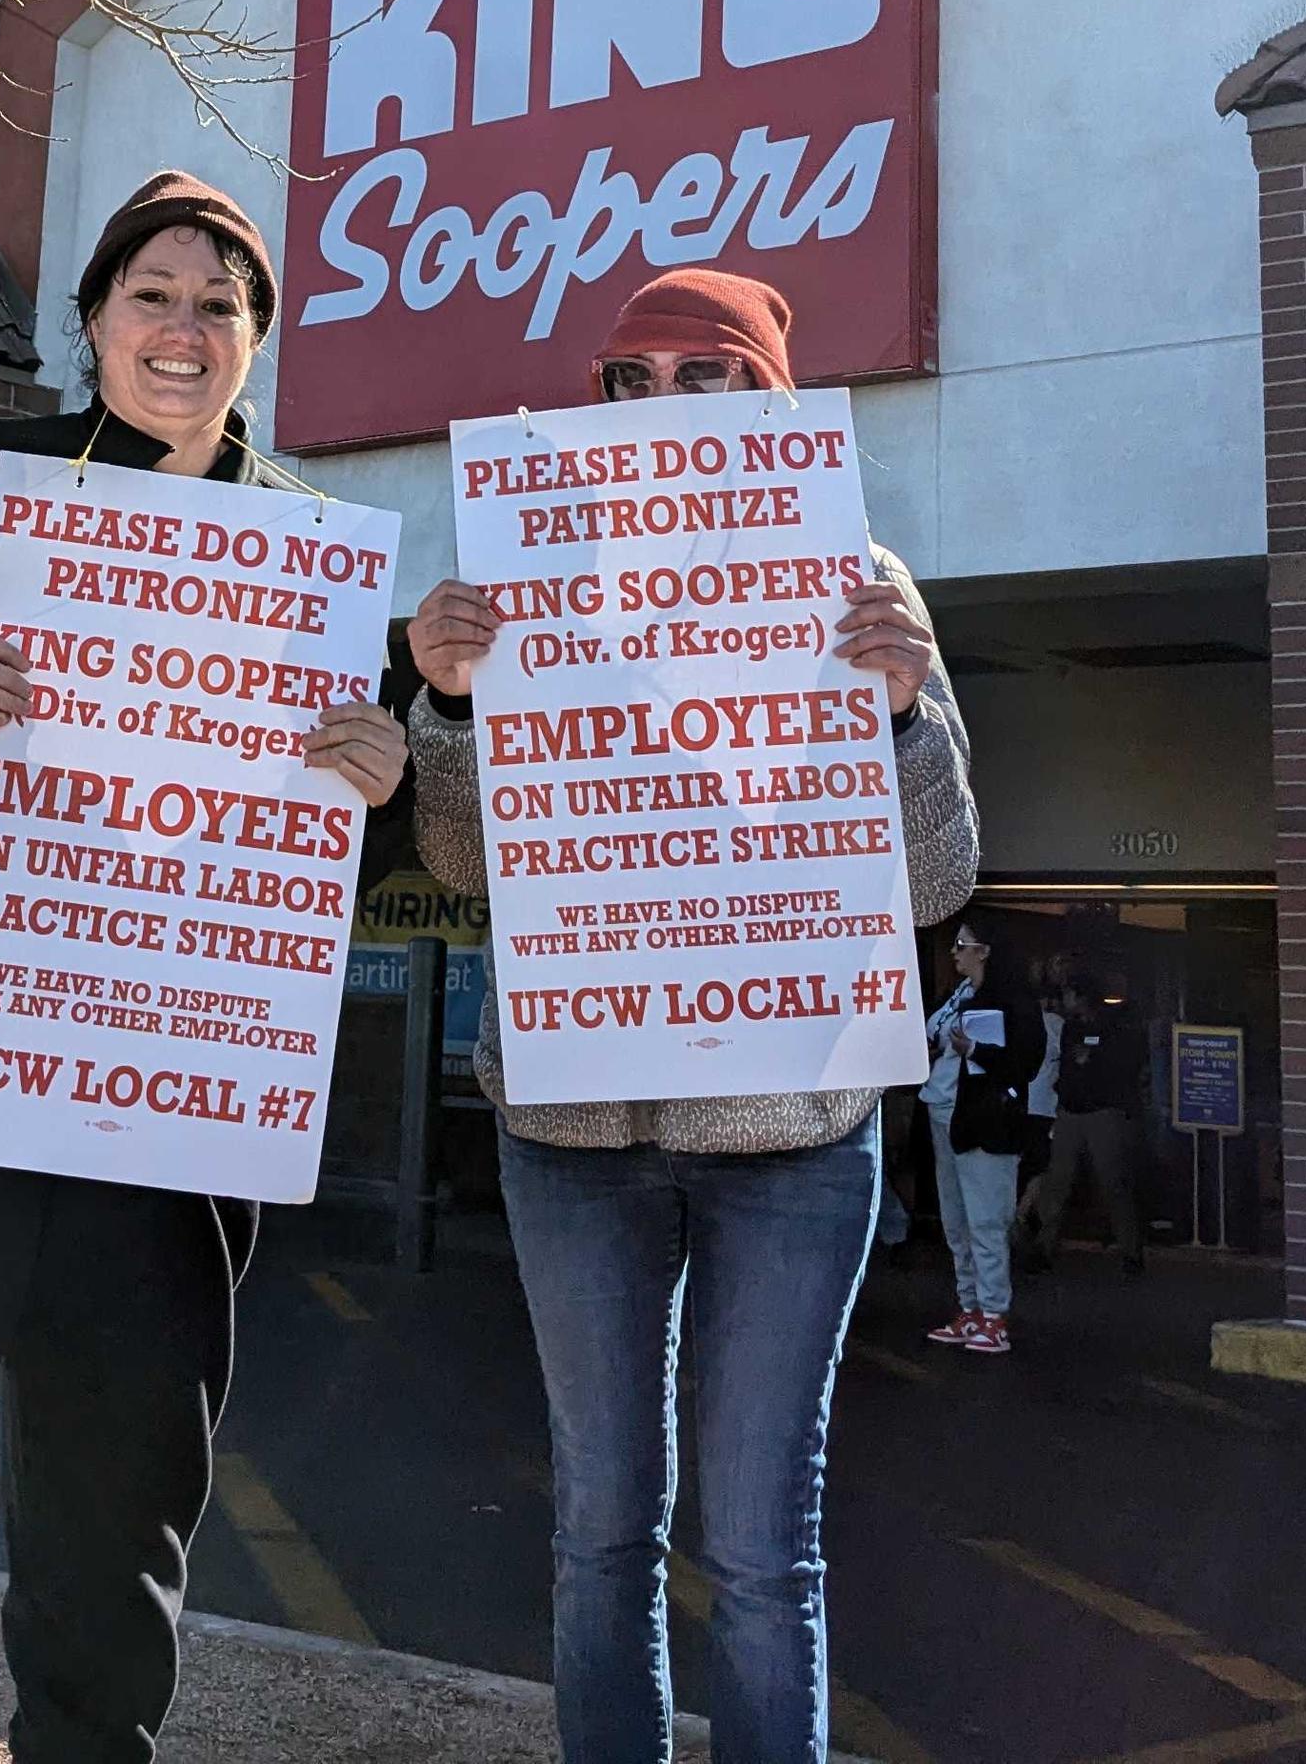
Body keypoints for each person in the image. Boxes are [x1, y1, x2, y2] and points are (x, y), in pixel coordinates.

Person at [0, 172, 409, 1764]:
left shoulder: (308, 557)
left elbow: (300, 880)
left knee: (119, 1538)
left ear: (258, 342)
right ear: (92, 319)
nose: (184, 330)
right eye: (152, 295)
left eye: (219, 304)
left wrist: (370, 790)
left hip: (158, 1137)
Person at [402, 267, 977, 1764]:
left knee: (766, 1555)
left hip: (791, 1139)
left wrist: (905, 710)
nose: (658, 406)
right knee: (599, 1532)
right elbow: (466, 867)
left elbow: (935, 881)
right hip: (571, 1138)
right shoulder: (526, 579)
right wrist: (450, 705)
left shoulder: (862, 580)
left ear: (770, 402)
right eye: (630, 381)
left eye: (699, 376)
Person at [920, 919, 1038, 1355]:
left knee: (986, 1219)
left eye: (962, 945)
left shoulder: (1012, 1000)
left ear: (985, 951)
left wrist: (977, 1051)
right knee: (956, 1219)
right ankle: (970, 1309)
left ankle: (994, 1315)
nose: (954, 952)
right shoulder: (959, 996)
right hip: (944, 1110)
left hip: (985, 1119)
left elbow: (1026, 1059)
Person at [1024, 964, 1149, 1275]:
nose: (1063, 1000)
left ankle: (1130, 1250)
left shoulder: (1112, 1027)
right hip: (1073, 1110)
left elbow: (1124, 1066)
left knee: (1111, 1182)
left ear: (1080, 996)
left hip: (1099, 1111)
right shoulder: (1072, 1028)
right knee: (1058, 1181)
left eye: (1068, 994)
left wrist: (1091, 1063)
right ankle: (1044, 1246)